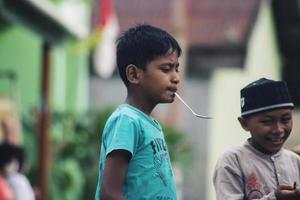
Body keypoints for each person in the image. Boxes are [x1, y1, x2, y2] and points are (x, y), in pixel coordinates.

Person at [94, 24, 182, 200]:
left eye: (176, 68)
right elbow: (110, 193)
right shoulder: (127, 120)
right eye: (166, 69)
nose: (176, 77)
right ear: (134, 74)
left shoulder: (149, 124)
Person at [213, 78, 300, 200]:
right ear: (244, 123)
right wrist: (275, 198)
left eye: (285, 119)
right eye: (267, 122)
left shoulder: (295, 161)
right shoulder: (233, 161)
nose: (279, 129)